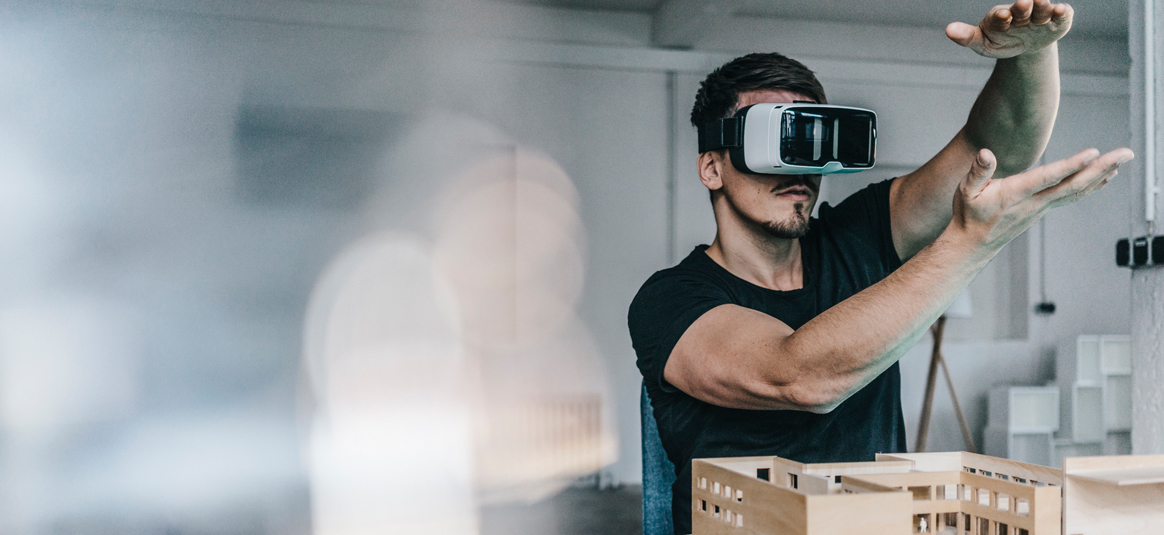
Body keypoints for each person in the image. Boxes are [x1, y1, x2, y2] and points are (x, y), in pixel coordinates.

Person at [627, 1, 1134, 533]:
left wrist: (1030, 57)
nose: (799, 166)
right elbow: (800, 377)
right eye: (776, 141)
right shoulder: (670, 300)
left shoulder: (860, 235)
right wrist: (970, 244)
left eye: (811, 140)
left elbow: (998, 149)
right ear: (712, 166)